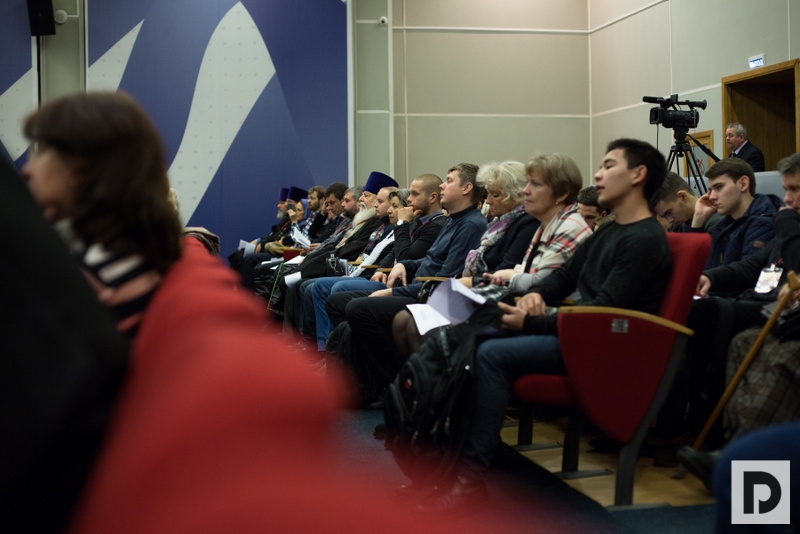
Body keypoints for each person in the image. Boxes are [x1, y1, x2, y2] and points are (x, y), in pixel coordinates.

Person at [416, 138, 671, 513]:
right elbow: (563, 279)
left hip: (605, 346)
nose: (598, 174)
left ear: (638, 175)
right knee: (465, 335)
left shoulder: (644, 238)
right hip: (580, 331)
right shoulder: (609, 230)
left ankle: (469, 477)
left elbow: (603, 311)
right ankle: (449, 460)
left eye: (608, 166)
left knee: (490, 353)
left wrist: (535, 319)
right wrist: (535, 297)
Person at [671, 153, 800, 486]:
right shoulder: (745, 224)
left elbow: (792, 263)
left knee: (772, 353)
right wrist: (711, 276)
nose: (787, 199)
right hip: (771, 308)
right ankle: (733, 449)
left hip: (779, 316)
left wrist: (787, 225)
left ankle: (745, 465)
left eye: (795, 190)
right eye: (787, 189)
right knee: (743, 342)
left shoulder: (780, 222)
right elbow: (759, 265)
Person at [22, 91, 183, 336]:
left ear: (82, 169)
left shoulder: (85, 278)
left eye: (42, 150)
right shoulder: (134, 256)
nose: (27, 169)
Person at [340, 163, 487, 400]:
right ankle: (367, 382)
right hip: (417, 286)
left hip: (431, 295)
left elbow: (445, 280)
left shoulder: (470, 224)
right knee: (344, 307)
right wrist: (404, 265)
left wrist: (392, 293)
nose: (442, 185)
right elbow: (428, 261)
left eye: (449, 181)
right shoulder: (454, 219)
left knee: (358, 309)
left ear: (466, 188)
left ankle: (390, 383)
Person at [689, 158, 782, 270]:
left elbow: (747, 274)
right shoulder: (724, 225)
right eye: (710, 190)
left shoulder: (763, 224)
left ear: (743, 184)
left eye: (719, 187)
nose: (712, 197)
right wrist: (698, 217)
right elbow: (692, 267)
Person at [459, 161, 539, 285]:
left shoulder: (529, 223)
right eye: (488, 194)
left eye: (495, 195)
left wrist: (467, 282)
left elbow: (506, 271)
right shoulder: (499, 224)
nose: (488, 201)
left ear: (517, 195)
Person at [651, 171, 723, 232]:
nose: (670, 220)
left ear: (683, 197)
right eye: (665, 216)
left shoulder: (716, 225)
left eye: (669, 213)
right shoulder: (676, 227)